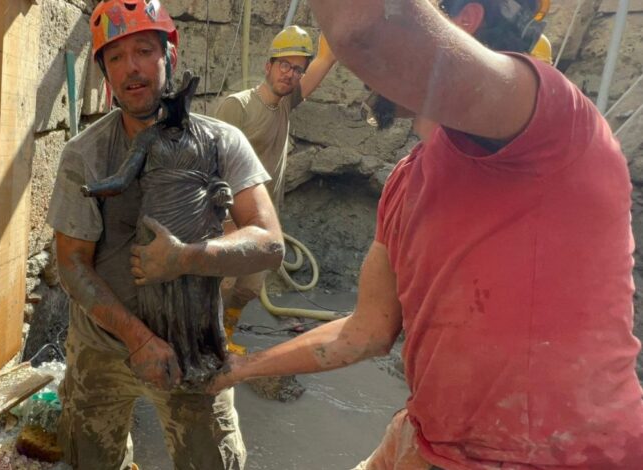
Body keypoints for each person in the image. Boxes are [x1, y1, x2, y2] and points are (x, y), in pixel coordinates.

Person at [211, 0, 643, 468]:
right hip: (430, 438)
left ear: (466, 20)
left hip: (561, 458)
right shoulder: (406, 182)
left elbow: (363, 29)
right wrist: (241, 368)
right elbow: (366, 331)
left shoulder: (557, 124)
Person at [46, 1, 284, 468]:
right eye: (114, 57)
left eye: (144, 50)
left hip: (193, 347)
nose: (131, 67)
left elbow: (270, 243)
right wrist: (137, 339)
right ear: (104, 74)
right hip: (102, 347)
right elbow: (71, 263)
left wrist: (188, 257)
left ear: (170, 57)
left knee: (212, 461)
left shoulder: (220, 142)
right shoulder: (86, 154)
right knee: (89, 458)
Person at [215, 25, 338, 354]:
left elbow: (327, 57)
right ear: (268, 65)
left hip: (264, 220)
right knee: (222, 284)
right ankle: (207, 341)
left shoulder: (287, 103)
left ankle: (226, 335)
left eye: (297, 68)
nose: (291, 73)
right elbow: (213, 169)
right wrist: (225, 223)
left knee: (250, 287)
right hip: (231, 218)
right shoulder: (236, 106)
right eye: (284, 64)